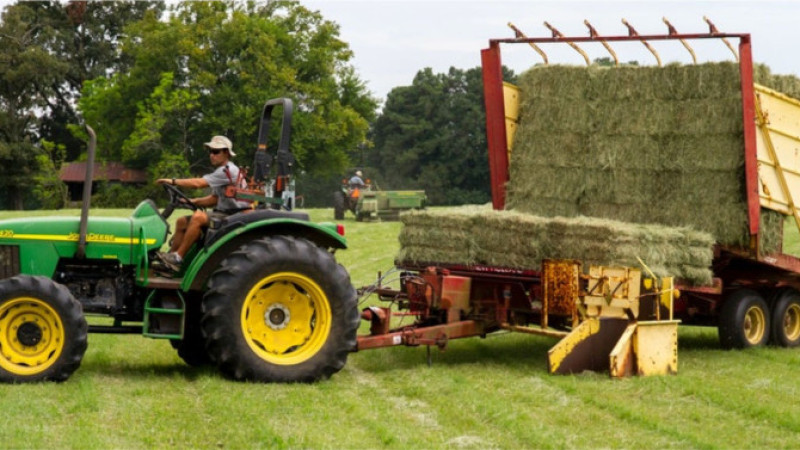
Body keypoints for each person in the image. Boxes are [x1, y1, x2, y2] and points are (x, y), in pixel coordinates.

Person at [154, 135, 250, 272]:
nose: (212, 155)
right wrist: (189, 201)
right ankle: (169, 259)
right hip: (223, 212)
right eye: (210, 152)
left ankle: (178, 257)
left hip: (235, 215)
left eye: (216, 152)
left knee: (198, 217)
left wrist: (172, 181)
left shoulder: (228, 171)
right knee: (182, 221)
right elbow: (214, 200)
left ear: (226, 153)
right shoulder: (221, 172)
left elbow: (198, 184)